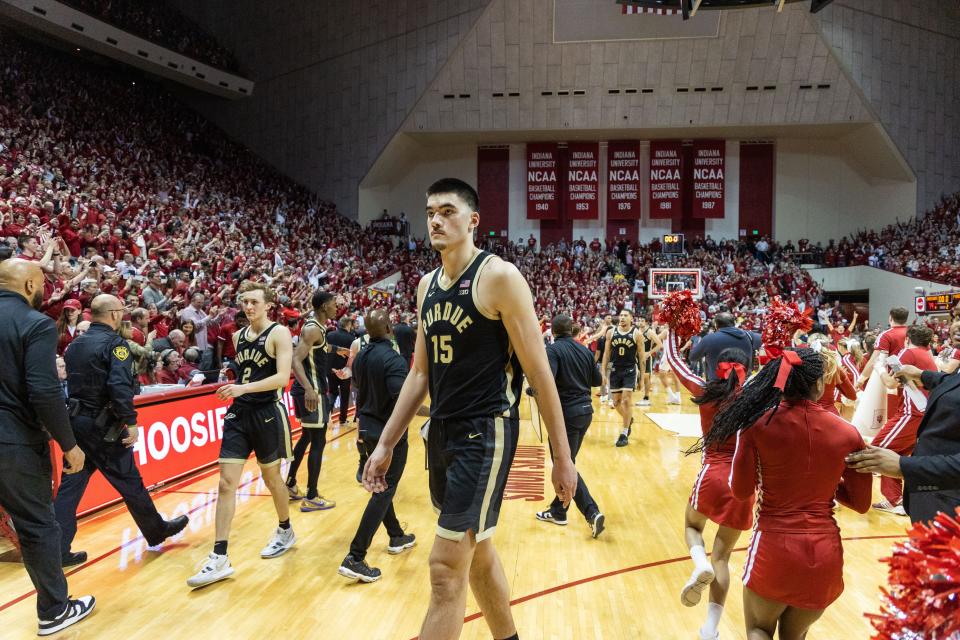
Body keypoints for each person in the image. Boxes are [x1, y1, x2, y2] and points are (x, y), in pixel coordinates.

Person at [363, 178, 577, 640]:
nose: (436, 220)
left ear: (473, 220)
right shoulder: (425, 286)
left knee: (443, 568)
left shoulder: (498, 276)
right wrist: (385, 444)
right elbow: (419, 374)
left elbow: (540, 374)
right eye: (430, 212)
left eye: (447, 211)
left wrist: (563, 457)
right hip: (442, 432)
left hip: (488, 431)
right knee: (477, 553)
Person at [710, 348, 872, 639]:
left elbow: (741, 490)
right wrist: (824, 482)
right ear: (821, 384)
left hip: (774, 547)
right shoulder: (849, 433)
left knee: (759, 629)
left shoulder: (756, 426)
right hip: (824, 555)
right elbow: (861, 504)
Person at [54, 294, 189, 566]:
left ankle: (55, 549)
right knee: (129, 481)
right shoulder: (116, 345)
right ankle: (156, 530)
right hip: (102, 425)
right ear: (114, 314)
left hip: (76, 422)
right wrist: (131, 422)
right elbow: (119, 387)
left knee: (71, 486)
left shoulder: (74, 345)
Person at [0, 259, 95, 636]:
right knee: (38, 526)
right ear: (28, 286)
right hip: (13, 442)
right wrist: (69, 444)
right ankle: (55, 610)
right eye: (42, 283)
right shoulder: (34, 323)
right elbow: (43, 389)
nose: (45, 291)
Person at [187, 281, 296, 588]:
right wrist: (231, 383)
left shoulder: (279, 333)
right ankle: (219, 556)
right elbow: (245, 373)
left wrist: (242, 387)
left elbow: (281, 378)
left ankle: (285, 529)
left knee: (272, 479)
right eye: (245, 302)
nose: (248, 307)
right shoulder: (237, 335)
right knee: (225, 482)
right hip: (239, 413)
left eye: (254, 302)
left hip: (267, 413)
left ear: (267, 305)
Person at [665, 331, 753, 640]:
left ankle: (699, 563)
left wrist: (672, 329)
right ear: (748, 367)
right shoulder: (756, 396)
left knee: (692, 526)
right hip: (743, 483)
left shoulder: (707, 390)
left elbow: (676, 362)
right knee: (724, 558)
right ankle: (710, 629)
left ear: (717, 366)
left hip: (712, 473)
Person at [338, 309, 416, 583]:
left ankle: (396, 535)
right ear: (388, 328)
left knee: (383, 486)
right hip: (388, 434)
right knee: (384, 490)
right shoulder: (393, 360)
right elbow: (401, 401)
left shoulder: (360, 357)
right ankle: (355, 556)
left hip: (367, 428)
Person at [846, 362, 960, 523]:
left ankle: (893, 499)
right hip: (931, 494)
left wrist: (904, 466)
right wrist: (923, 376)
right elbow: (954, 382)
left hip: (950, 502)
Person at [534, 314, 605, 538]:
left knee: (565, 463)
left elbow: (548, 380)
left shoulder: (553, 351)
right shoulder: (584, 350)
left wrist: (533, 389)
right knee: (568, 461)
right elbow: (597, 381)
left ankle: (591, 512)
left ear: (553, 332)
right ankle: (558, 511)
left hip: (566, 415)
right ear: (572, 330)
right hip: (586, 412)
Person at [870, 325, 937, 515]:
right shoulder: (927, 354)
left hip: (911, 413)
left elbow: (891, 382)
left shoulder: (908, 353)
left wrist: (879, 368)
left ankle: (896, 499)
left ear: (907, 339)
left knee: (877, 449)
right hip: (924, 413)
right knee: (895, 453)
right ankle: (898, 499)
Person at [286, 290, 338, 511]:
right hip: (312, 391)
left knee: (307, 437)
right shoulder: (312, 328)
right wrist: (308, 388)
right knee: (318, 441)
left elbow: (315, 354)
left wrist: (338, 350)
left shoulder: (317, 327)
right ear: (324, 306)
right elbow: (295, 360)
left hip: (311, 389)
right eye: (334, 303)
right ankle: (312, 496)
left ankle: (289, 482)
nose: (337, 307)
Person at [601, 309, 646, 447]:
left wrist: (642, 378)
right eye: (621, 315)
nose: (622, 317)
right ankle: (629, 419)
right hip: (614, 370)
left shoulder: (637, 334)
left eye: (625, 315)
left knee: (626, 400)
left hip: (630, 370)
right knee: (616, 403)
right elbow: (606, 354)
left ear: (631, 318)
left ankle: (624, 433)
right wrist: (604, 372)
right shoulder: (611, 332)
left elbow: (642, 357)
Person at [689, 312, 761, 381]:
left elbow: (692, 357)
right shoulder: (750, 335)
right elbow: (768, 340)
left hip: (717, 386)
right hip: (744, 385)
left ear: (716, 325)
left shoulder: (708, 339)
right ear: (734, 323)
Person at [326, 317, 355, 426]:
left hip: (330, 369)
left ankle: (327, 416)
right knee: (345, 395)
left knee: (332, 393)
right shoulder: (351, 338)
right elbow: (351, 356)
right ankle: (342, 419)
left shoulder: (330, 335)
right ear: (347, 325)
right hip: (344, 370)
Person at [635, 316, 662, 407]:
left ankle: (646, 398)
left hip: (646, 358)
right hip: (635, 357)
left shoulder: (650, 332)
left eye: (642, 320)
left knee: (646, 377)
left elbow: (659, 344)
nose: (640, 322)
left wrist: (649, 353)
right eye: (639, 320)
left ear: (646, 322)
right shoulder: (636, 331)